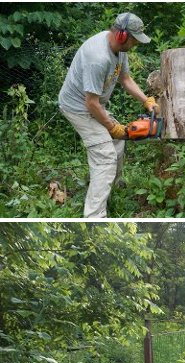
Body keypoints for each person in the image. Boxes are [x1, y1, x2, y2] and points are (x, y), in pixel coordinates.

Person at [58, 12, 159, 218]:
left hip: (94, 105)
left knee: (118, 143)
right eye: (134, 40)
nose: (136, 45)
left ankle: (110, 189)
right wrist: (111, 126)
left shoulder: (119, 51)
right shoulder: (98, 58)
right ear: (122, 36)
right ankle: (94, 216)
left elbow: (126, 79)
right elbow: (91, 103)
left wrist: (146, 100)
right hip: (78, 108)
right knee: (105, 157)